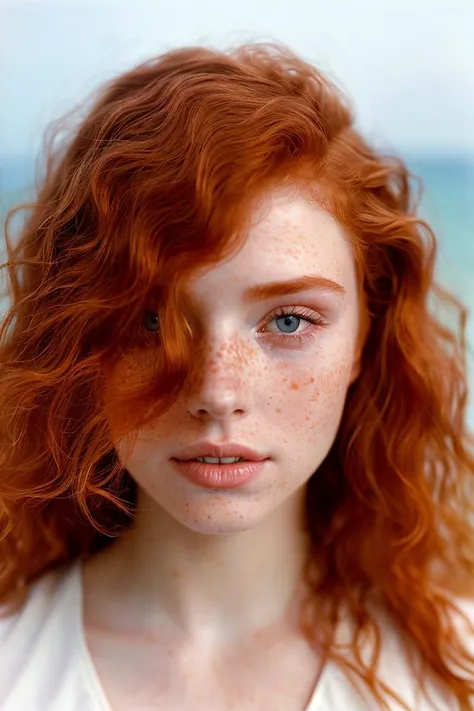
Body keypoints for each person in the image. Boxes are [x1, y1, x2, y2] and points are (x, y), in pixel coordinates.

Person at [0, 41, 473, 711]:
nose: (216, 392)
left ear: (367, 337)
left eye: (286, 321)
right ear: (77, 339)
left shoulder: (455, 672)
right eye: (150, 319)